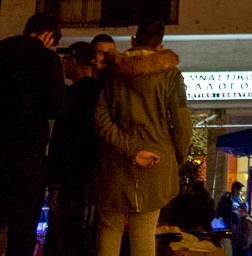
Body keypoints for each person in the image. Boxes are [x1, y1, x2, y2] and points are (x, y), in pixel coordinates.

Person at [0, 12, 67, 256]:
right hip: (27, 158)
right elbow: (57, 108)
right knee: (22, 231)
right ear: (48, 35)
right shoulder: (46, 59)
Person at [93, 20, 192, 256]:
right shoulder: (171, 75)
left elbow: (101, 119)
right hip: (157, 160)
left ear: (133, 41)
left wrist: (130, 149)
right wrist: (178, 157)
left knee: (109, 229)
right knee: (145, 232)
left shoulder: (112, 73)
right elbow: (181, 122)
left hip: (114, 162)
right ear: (159, 47)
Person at [46, 41, 103, 256]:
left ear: (75, 61)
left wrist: (57, 182)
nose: (63, 65)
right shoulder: (99, 95)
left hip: (72, 180)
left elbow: (65, 140)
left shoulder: (73, 96)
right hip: (89, 177)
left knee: (66, 239)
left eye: (65, 60)